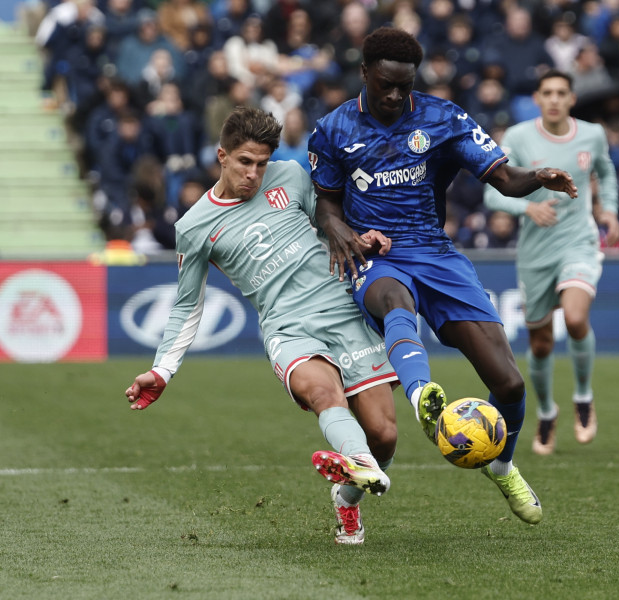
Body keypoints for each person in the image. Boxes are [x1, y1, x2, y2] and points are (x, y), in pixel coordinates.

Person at [309, 27, 578, 525]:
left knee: (511, 385)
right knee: (394, 301)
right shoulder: (333, 129)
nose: (394, 96)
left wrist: (536, 177)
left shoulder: (443, 118)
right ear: (364, 72)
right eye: (385, 85)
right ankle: (422, 397)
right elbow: (324, 202)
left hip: (436, 253)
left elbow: (502, 177)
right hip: (376, 254)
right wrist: (339, 230)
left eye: (403, 86)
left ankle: (501, 465)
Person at [124, 106, 399, 546]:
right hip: (287, 328)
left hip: (342, 311)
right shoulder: (193, 227)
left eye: (261, 163)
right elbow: (186, 305)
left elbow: (329, 219)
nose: (253, 173)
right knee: (325, 393)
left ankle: (348, 495)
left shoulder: (290, 175)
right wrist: (162, 370)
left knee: (385, 434)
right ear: (222, 156)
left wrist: (359, 236)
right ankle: (360, 461)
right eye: (244, 162)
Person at [484, 70, 619, 456]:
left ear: (572, 99)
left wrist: (608, 209)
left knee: (576, 319)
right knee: (540, 343)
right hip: (535, 253)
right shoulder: (518, 137)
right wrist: (527, 206)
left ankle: (583, 397)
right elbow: (493, 195)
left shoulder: (592, 134)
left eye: (562, 92)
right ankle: (546, 412)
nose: (556, 99)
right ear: (537, 98)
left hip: (579, 240)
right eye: (548, 93)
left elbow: (606, 173)